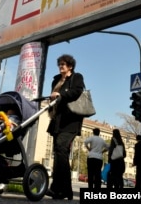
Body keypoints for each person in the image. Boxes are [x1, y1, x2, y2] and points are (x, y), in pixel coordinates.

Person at [46, 54, 85, 200]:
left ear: (70, 66)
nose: (61, 66)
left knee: (61, 149)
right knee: (58, 152)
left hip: (70, 121)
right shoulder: (56, 79)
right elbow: (53, 96)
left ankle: (58, 188)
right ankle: (63, 190)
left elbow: (77, 92)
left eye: (63, 64)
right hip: (57, 120)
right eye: (59, 64)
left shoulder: (77, 77)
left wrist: (60, 94)